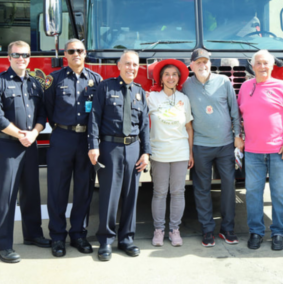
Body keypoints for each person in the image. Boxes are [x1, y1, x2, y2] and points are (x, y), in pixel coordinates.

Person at [88, 50, 151, 261]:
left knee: (131, 195)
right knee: (109, 196)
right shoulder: (105, 87)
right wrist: (93, 146)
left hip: (133, 149)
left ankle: (126, 239)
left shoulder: (140, 92)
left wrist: (146, 152)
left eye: (135, 65)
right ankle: (105, 241)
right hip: (110, 148)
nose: (131, 68)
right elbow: (95, 118)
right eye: (127, 64)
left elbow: (144, 127)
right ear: (119, 65)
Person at [237, 50, 283, 251]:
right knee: (254, 193)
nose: (262, 66)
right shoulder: (245, 87)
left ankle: (278, 233)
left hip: (278, 151)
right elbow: (238, 115)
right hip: (253, 152)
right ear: (253, 66)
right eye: (259, 63)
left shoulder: (282, 86)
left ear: (272, 66)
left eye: (266, 63)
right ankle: (255, 232)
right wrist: (237, 135)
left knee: (279, 193)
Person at [44, 38, 103, 257]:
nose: (76, 54)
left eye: (79, 50)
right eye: (71, 51)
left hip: (86, 141)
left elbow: (99, 113)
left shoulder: (96, 80)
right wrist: (62, 128)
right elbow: (48, 107)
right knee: (57, 190)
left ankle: (78, 234)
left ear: (85, 53)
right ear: (65, 55)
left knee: (83, 190)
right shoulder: (54, 79)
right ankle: (57, 237)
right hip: (62, 138)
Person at [182, 48, 243, 247]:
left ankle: (227, 229)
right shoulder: (186, 86)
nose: (202, 65)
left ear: (210, 63)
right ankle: (207, 230)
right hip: (200, 145)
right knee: (201, 189)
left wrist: (237, 135)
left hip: (225, 145)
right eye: (198, 62)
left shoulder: (224, 81)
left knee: (228, 187)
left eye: (205, 62)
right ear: (191, 65)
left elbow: (234, 110)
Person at [0, 41, 51, 263]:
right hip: (7, 145)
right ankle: (2, 244)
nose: (21, 58)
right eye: (16, 55)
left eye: (25, 55)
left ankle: (33, 234)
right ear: (9, 57)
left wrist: (34, 134)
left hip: (30, 143)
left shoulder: (35, 85)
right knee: (5, 196)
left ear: (29, 58)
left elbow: (41, 116)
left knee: (31, 191)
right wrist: (21, 134)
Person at [148, 59, 193, 247]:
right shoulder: (152, 97)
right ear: (161, 78)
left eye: (174, 74)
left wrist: (190, 153)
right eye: (167, 74)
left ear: (179, 78)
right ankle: (158, 230)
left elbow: (189, 127)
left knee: (178, 192)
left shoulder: (185, 99)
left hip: (180, 152)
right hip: (159, 152)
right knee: (159, 192)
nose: (170, 77)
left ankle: (175, 230)